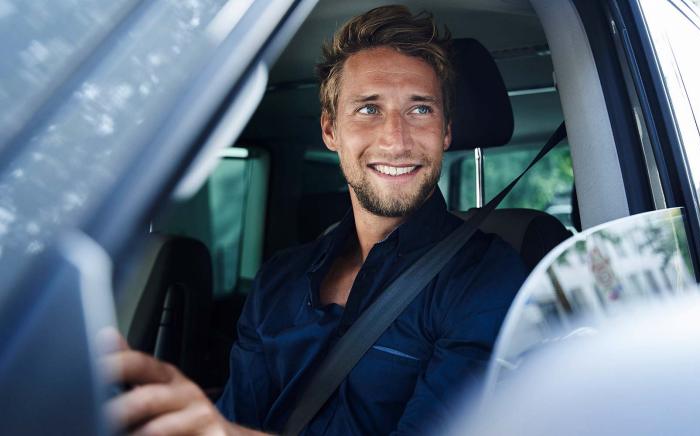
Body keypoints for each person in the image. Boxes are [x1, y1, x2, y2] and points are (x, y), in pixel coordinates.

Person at [104, 5, 527, 435]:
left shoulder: (485, 278)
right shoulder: (279, 280)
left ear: (446, 131)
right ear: (330, 131)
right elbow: (236, 418)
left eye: (420, 110)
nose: (396, 140)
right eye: (369, 109)